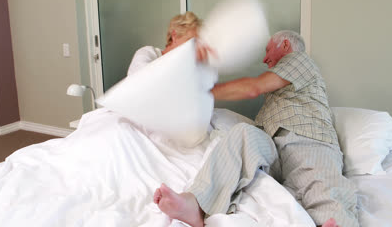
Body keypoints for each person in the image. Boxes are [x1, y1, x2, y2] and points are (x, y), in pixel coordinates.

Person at [153, 30, 359, 227]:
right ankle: (195, 204)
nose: (265, 59)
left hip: (308, 141)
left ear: (285, 44)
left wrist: (202, 90)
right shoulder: (279, 91)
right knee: (242, 133)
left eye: (268, 50)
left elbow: (253, 88)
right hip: (274, 152)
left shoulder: (300, 60)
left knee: (324, 189)